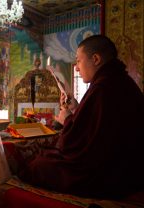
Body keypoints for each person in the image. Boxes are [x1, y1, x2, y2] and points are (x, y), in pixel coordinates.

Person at [19, 35, 144, 198]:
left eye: (78, 61)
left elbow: (73, 144)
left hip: (111, 173)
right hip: (130, 169)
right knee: (47, 156)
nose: (76, 68)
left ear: (96, 59)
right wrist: (76, 108)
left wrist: (67, 120)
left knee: (40, 164)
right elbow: (97, 126)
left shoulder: (103, 87)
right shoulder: (120, 81)